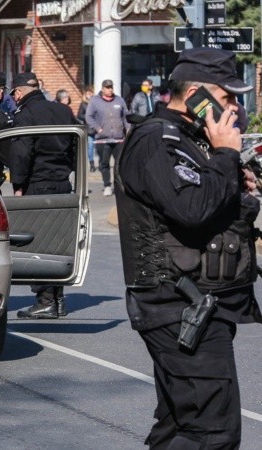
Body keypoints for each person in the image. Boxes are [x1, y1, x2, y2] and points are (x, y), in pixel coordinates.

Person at [114, 47, 259, 449]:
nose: (235, 106)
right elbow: (192, 210)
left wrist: (233, 178)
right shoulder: (157, 140)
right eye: (227, 96)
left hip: (196, 305)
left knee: (181, 425)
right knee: (211, 432)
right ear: (196, 93)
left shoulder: (188, 140)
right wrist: (226, 154)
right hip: (176, 304)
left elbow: (203, 204)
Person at [9, 72, 79, 320]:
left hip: (38, 184)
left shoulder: (25, 114)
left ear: (18, 93)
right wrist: (67, 171)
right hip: (62, 183)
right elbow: (75, 145)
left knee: (38, 244)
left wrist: (18, 184)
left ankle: (46, 301)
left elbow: (21, 151)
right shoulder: (62, 110)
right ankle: (58, 300)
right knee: (58, 244)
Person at [85, 79, 129, 197]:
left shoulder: (119, 100)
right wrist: (98, 129)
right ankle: (107, 186)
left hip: (119, 138)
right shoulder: (95, 101)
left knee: (120, 163)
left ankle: (120, 186)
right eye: (108, 87)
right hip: (102, 139)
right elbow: (88, 117)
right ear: (103, 88)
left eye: (111, 87)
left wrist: (128, 128)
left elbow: (126, 116)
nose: (110, 90)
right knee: (104, 163)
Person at [77, 86, 96, 173]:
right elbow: (79, 115)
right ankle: (92, 164)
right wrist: (88, 117)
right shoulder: (83, 104)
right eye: (88, 93)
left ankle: (102, 163)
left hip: (97, 128)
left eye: (91, 93)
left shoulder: (96, 103)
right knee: (91, 146)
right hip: (89, 128)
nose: (90, 95)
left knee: (100, 147)